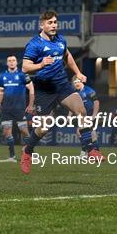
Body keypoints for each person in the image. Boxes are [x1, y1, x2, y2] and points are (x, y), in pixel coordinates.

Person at [20, 10, 104, 174]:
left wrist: (78, 73)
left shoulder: (60, 40)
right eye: (49, 23)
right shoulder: (34, 44)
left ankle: (90, 149)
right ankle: (27, 150)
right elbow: (25, 67)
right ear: (42, 25)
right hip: (45, 90)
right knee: (44, 127)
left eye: (55, 22)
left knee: (81, 110)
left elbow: (67, 56)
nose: (53, 25)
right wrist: (41, 64)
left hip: (62, 85)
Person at [0, 56, 34, 162]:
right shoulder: (3, 75)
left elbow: (31, 89)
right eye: (9, 61)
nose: (11, 62)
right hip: (6, 109)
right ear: (7, 63)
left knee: (24, 131)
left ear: (17, 62)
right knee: (7, 132)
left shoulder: (22, 74)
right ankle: (12, 157)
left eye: (13, 61)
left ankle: (30, 154)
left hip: (19, 108)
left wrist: (30, 104)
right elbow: (0, 91)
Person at [72, 76, 102, 157]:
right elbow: (72, 105)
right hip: (82, 116)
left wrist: (94, 115)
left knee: (81, 131)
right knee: (89, 132)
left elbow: (96, 102)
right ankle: (95, 151)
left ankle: (85, 151)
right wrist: (69, 115)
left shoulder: (89, 90)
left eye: (77, 81)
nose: (76, 84)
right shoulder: (75, 93)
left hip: (90, 114)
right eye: (74, 83)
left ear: (81, 81)